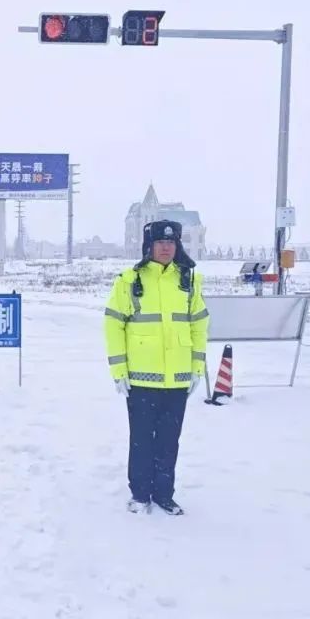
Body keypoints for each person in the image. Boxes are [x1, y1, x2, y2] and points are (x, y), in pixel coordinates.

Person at [103, 219, 209, 515]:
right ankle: (140, 494)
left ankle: (164, 494)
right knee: (141, 440)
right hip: (140, 378)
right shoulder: (129, 281)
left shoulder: (189, 280)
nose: (166, 247)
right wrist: (119, 371)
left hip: (176, 379)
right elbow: (113, 325)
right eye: (160, 243)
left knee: (168, 441)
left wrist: (196, 367)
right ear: (148, 246)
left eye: (171, 242)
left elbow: (199, 325)